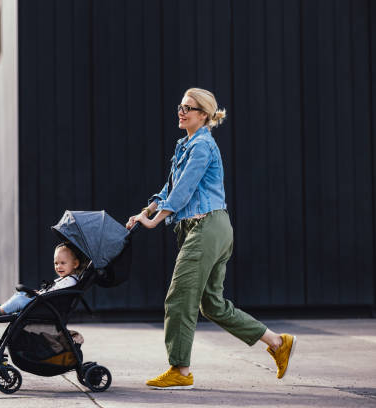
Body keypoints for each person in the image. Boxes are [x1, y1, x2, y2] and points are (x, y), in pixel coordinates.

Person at [126, 88, 296, 390]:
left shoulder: (202, 145)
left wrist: (154, 221)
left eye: (188, 108)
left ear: (203, 115)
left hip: (206, 227)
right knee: (211, 304)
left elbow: (185, 190)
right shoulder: (184, 145)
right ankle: (276, 342)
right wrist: (145, 211)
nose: (181, 111)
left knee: (179, 298)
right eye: (180, 106)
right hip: (207, 228)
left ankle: (180, 369)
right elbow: (168, 189)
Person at [0, 242, 84, 319]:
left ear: (75, 264)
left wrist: (41, 295)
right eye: (56, 263)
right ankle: (1, 308)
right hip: (45, 303)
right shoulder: (65, 279)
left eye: (63, 263)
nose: (58, 266)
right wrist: (40, 293)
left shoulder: (70, 281)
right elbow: (54, 291)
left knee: (19, 300)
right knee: (21, 294)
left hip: (46, 307)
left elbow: (55, 294)